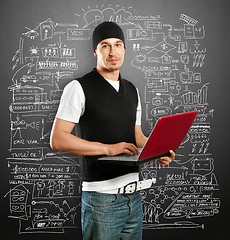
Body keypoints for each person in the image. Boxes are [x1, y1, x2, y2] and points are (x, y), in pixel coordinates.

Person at [50, 21, 175, 240]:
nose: (112, 51)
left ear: (125, 49)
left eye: (118, 45)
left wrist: (159, 151)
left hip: (134, 197)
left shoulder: (132, 90)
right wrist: (108, 149)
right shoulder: (78, 88)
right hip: (101, 200)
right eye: (105, 45)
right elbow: (58, 139)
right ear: (95, 51)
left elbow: (137, 137)